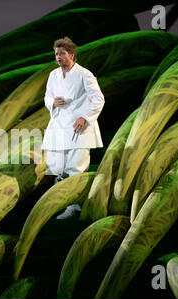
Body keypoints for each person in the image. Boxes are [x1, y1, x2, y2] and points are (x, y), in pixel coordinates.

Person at [41, 37, 105, 219]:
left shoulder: (84, 74)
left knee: (75, 166)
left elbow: (98, 98)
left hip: (78, 127)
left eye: (62, 53)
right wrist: (52, 102)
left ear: (72, 54)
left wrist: (85, 117)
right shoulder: (53, 75)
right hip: (59, 124)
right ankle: (61, 202)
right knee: (56, 165)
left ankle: (75, 205)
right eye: (56, 54)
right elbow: (46, 97)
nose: (58, 57)